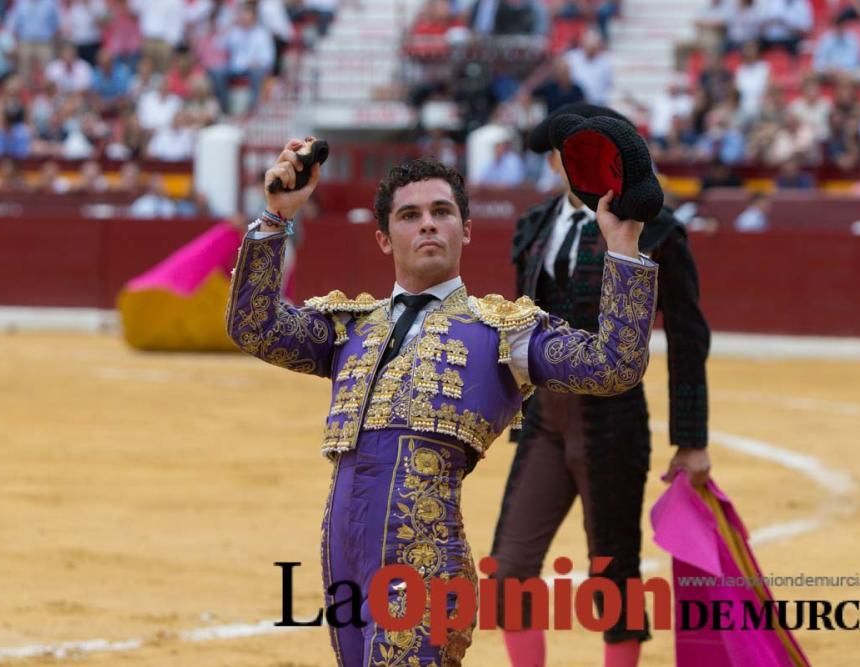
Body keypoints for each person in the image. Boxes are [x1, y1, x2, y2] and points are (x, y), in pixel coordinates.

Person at [226, 137, 661, 666]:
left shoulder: (504, 333)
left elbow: (614, 364)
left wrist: (623, 244)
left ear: (466, 229)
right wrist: (277, 216)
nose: (428, 223)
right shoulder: (350, 329)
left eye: (442, 212)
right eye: (410, 215)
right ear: (385, 239)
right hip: (342, 557)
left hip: (426, 562)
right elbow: (255, 326)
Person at [491, 103, 711, 667]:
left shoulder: (657, 230)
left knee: (612, 572)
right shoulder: (534, 225)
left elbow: (687, 336)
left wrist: (692, 438)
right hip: (544, 421)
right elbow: (521, 323)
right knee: (511, 567)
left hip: (613, 422)